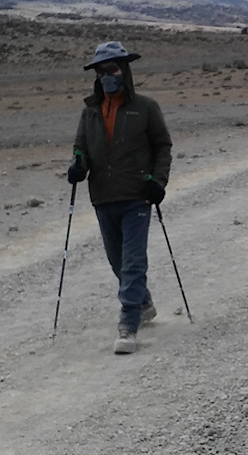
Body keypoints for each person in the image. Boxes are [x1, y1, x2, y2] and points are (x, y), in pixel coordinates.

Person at [67, 41, 173, 355]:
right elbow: (80, 148)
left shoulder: (145, 107)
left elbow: (162, 146)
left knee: (132, 262)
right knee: (117, 261)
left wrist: (158, 182)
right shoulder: (90, 112)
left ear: (124, 71)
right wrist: (78, 166)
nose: (107, 76)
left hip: (137, 196)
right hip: (103, 197)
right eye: (102, 71)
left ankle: (128, 325)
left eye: (112, 69)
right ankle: (143, 302)